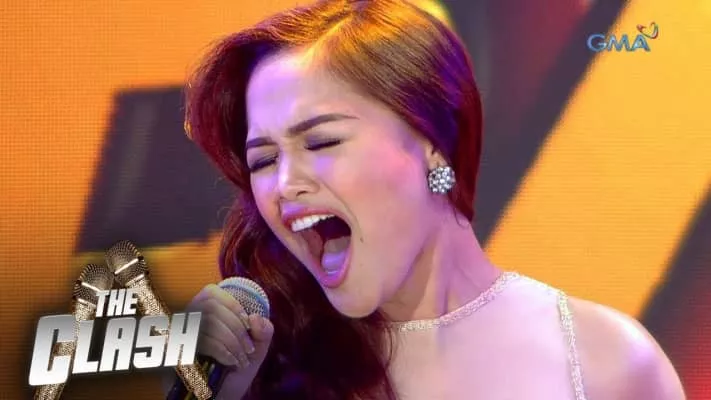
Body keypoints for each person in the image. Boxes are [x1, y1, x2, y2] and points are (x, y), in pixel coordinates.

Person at [179, 0, 685, 398]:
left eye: (321, 142)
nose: (285, 184)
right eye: (264, 160)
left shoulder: (607, 361)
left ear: (432, 142)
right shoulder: (271, 369)